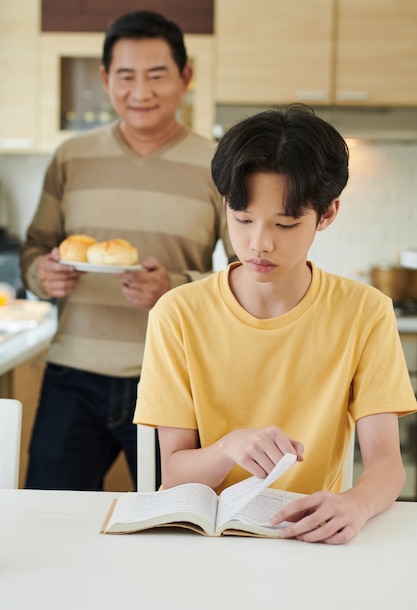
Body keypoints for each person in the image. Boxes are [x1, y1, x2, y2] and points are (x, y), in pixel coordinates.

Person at [134, 105, 417, 544]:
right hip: (204, 542)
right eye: (242, 220)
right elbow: (175, 469)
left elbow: (386, 464)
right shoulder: (177, 314)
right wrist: (229, 447)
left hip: (310, 539)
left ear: (327, 215)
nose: (259, 243)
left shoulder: (366, 312)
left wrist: (356, 504)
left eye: (285, 224)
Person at [19, 10, 235, 491]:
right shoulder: (71, 158)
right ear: (105, 80)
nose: (141, 92)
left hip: (174, 381)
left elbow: (245, 277)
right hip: (72, 375)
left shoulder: (219, 166)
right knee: (49, 519)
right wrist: (41, 275)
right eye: (126, 76)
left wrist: (173, 288)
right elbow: (35, 248)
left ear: (185, 77)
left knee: (173, 526)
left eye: (157, 75)